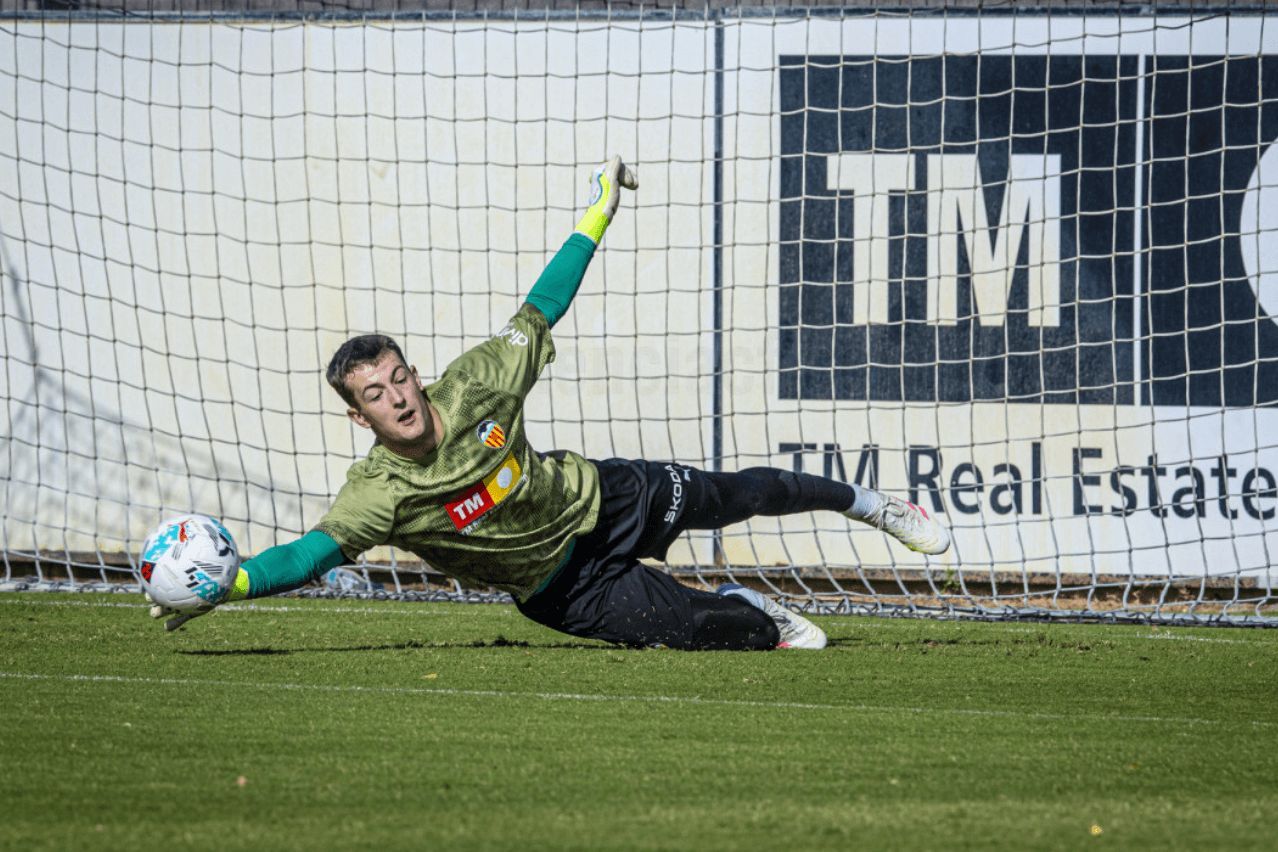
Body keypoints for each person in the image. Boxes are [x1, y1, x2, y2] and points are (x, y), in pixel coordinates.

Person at [148, 157, 950, 650]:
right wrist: (237, 584)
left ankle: (873, 504)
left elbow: (543, 303)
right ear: (358, 418)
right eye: (374, 395)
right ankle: (746, 607)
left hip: (603, 499)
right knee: (726, 635)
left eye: (398, 377)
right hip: (561, 588)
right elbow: (310, 555)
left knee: (744, 495)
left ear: (415, 373)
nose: (397, 397)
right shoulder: (376, 497)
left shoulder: (478, 382)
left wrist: (600, 208)